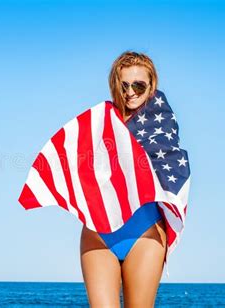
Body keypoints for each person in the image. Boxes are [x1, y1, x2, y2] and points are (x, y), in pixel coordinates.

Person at [79, 51, 169, 307]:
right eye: (124, 84)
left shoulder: (161, 128)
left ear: (151, 86)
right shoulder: (99, 122)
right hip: (99, 234)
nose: (130, 91)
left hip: (144, 234)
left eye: (138, 85)